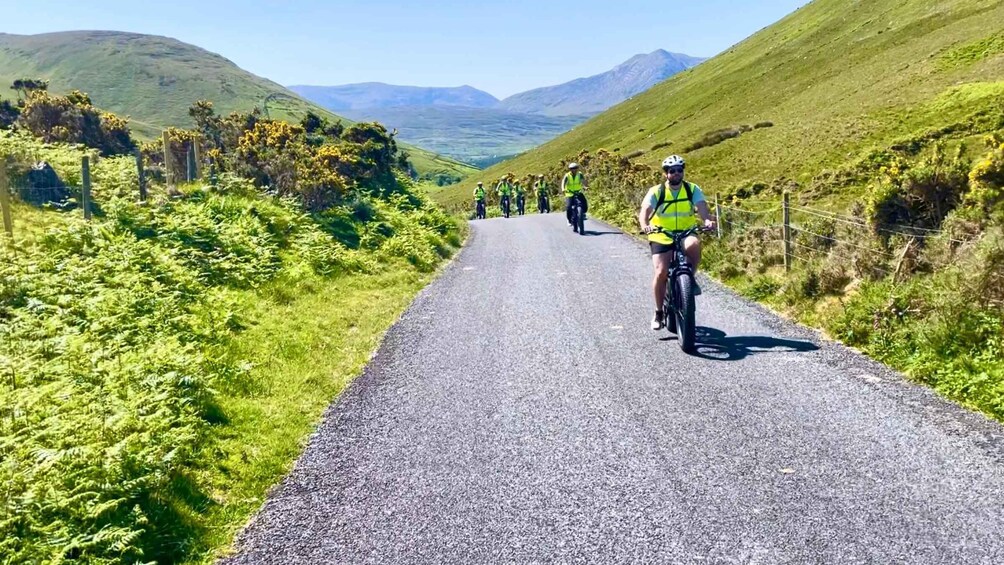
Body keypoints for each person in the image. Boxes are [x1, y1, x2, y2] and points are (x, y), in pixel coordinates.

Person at [639, 155, 716, 331]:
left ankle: (689, 278)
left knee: (694, 246)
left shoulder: (692, 189)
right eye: (672, 171)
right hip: (661, 234)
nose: (676, 174)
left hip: (685, 232)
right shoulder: (657, 191)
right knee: (661, 272)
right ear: (666, 174)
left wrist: (707, 220)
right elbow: (645, 211)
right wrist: (646, 226)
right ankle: (659, 312)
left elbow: (702, 208)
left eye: (679, 170)